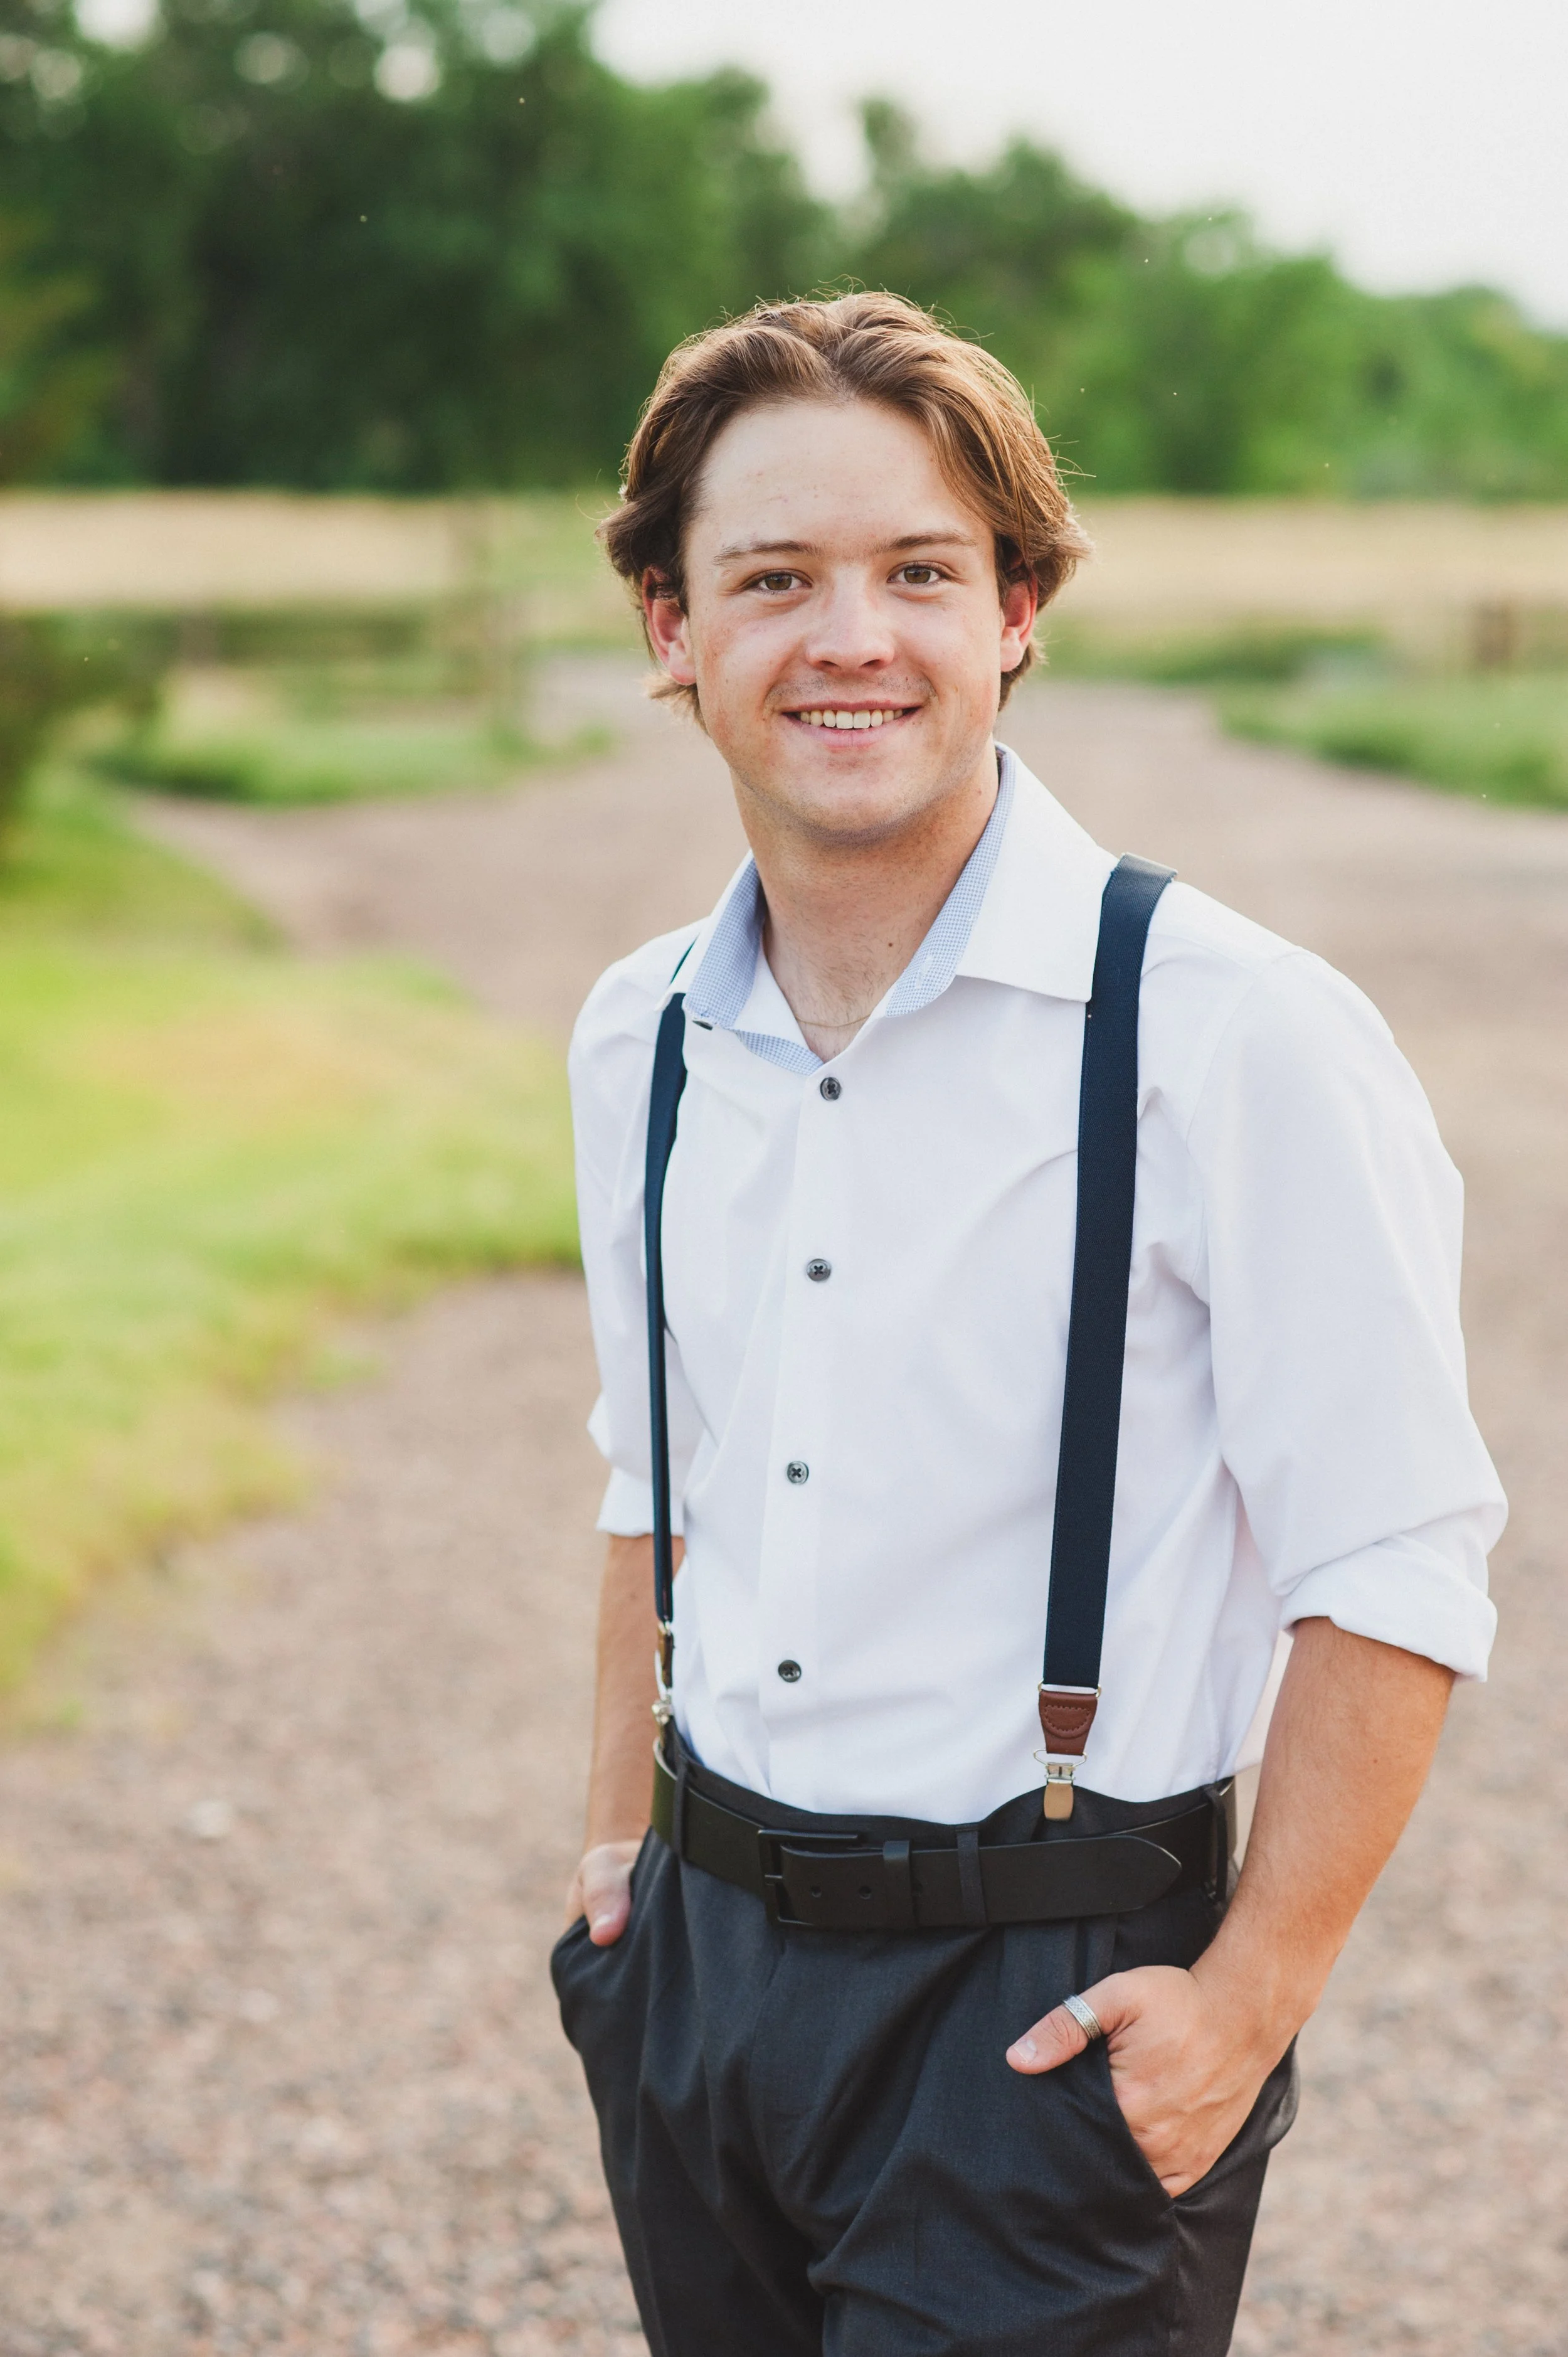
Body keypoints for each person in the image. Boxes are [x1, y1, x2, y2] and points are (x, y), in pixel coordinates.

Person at [553, 292, 1505, 2357]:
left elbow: (1394, 1562)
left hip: (1039, 2009)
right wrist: (618, 1864)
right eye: (773, 579)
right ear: (669, 625)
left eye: (918, 571)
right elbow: (657, 1469)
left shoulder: (1229, 1030)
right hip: (698, 1982)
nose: (850, 638)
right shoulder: (637, 1032)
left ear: (1017, 612)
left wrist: (1246, 2001)